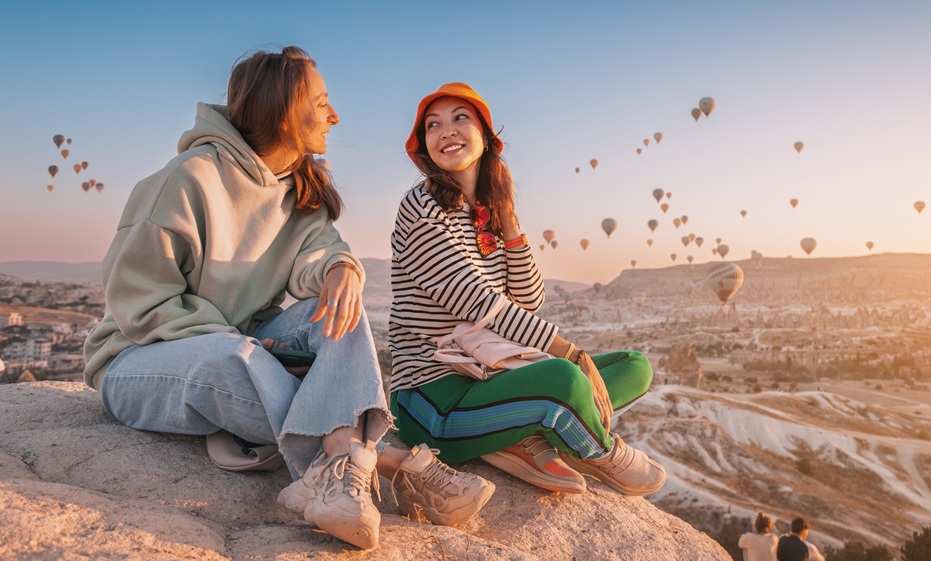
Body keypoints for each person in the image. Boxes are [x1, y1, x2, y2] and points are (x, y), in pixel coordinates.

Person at [82, 47, 492, 551]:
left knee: (336, 312)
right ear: (282, 113)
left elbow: (319, 252)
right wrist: (248, 344)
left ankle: (340, 467)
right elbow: (139, 302)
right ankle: (391, 462)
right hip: (137, 359)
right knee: (233, 356)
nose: (334, 116)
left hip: (243, 342)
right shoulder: (187, 179)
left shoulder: (298, 187)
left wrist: (341, 269)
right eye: (321, 104)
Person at [388, 82, 665, 496]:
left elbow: (529, 300)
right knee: (565, 375)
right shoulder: (421, 206)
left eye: (460, 118)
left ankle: (521, 434)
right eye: (433, 125)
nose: (446, 131)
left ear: (486, 136)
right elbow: (475, 301)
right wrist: (571, 353)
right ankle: (599, 450)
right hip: (433, 398)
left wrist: (511, 226)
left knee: (634, 365)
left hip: (495, 375)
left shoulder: (487, 213)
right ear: (425, 146)